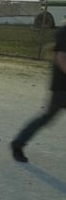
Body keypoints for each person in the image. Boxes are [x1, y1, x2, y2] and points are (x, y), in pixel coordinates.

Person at [11, 19, 66, 162]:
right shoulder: (64, 32)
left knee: (46, 118)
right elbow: (61, 58)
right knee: (46, 118)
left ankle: (18, 142)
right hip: (62, 88)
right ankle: (18, 143)